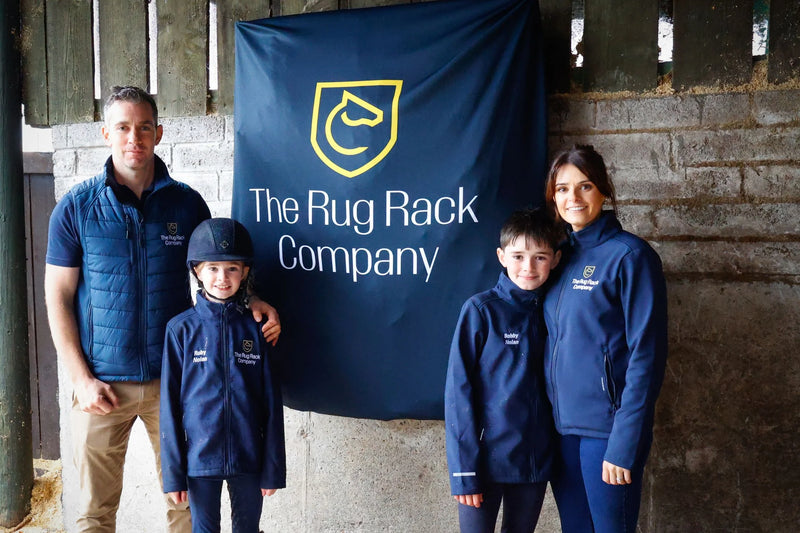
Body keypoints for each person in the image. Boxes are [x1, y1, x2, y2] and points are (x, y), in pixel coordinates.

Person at [44, 85, 280, 533]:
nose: (135, 137)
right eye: (123, 127)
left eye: (144, 127)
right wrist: (80, 379)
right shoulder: (76, 208)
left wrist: (251, 300)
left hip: (176, 385)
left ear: (159, 133)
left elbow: (215, 272)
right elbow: (57, 294)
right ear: (106, 134)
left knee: (186, 505)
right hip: (100, 387)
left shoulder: (187, 204)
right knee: (93, 512)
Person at [542, 145, 668, 533]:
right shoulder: (558, 257)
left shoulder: (631, 257)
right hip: (562, 432)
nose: (572, 198)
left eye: (585, 186)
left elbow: (647, 357)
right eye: (562, 189)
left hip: (607, 434)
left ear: (604, 191)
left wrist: (624, 443)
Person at [160, 218, 286, 533]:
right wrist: (174, 474)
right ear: (197, 271)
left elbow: (272, 404)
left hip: (249, 458)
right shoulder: (181, 330)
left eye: (232, 268)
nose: (222, 277)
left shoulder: (257, 328)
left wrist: (272, 469)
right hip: (199, 461)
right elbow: (169, 408)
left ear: (245, 272)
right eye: (213, 268)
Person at [444, 208, 562, 533]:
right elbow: (458, 394)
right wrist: (464, 471)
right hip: (483, 463)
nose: (528, 267)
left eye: (540, 257)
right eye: (518, 256)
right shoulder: (481, 311)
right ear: (501, 256)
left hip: (533, 464)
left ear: (555, 259)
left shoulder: (556, 310)